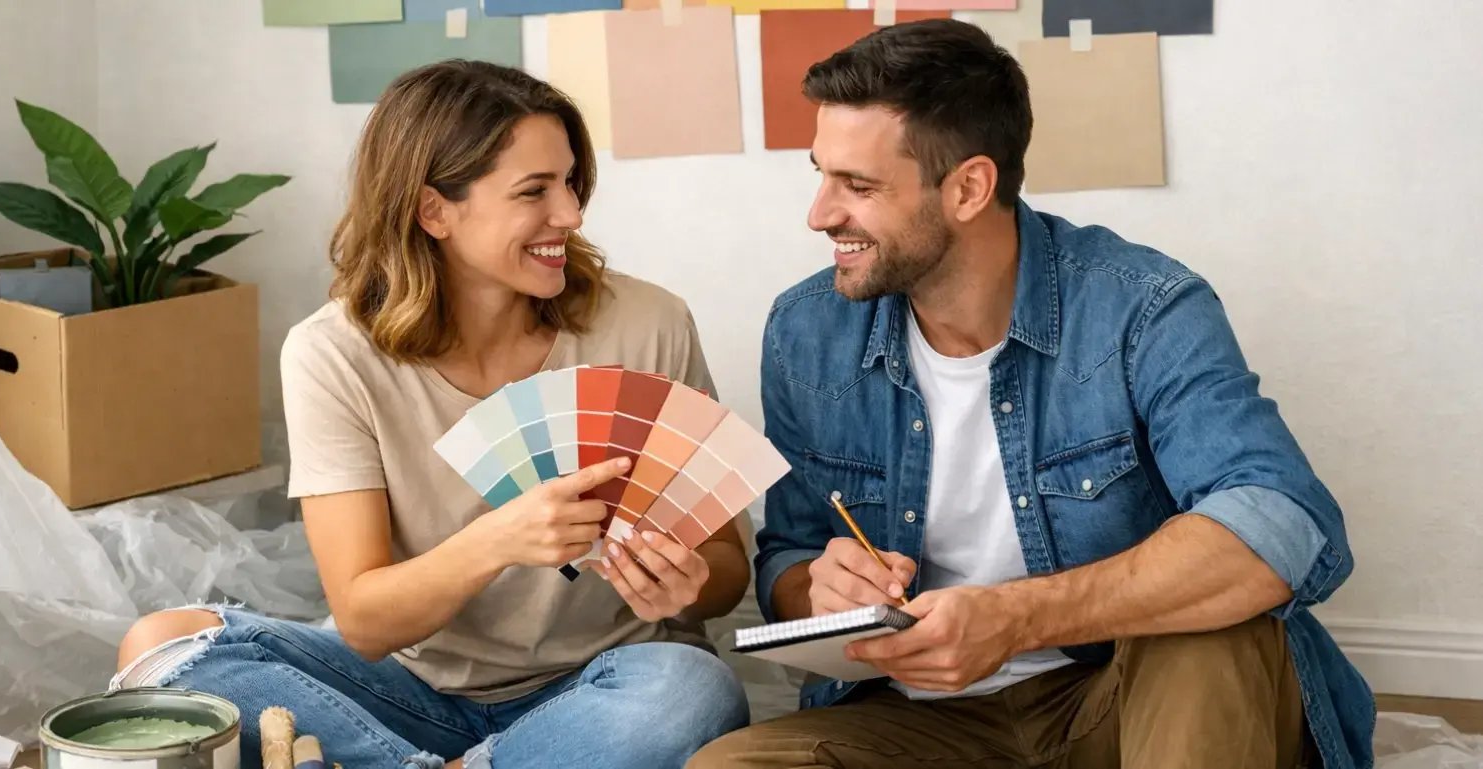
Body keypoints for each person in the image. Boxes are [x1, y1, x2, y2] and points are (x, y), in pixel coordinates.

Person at [691, 18, 1373, 769]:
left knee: (1219, 626)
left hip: (1117, 695)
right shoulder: (807, 328)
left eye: (857, 185)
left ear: (970, 187)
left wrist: (1015, 617)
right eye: (820, 174)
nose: (819, 213)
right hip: (921, 723)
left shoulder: (1141, 307)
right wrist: (817, 591)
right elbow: (787, 552)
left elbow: (1281, 520)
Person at [112, 60, 750, 769]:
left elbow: (728, 570)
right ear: (433, 210)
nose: (569, 214)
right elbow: (363, 621)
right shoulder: (333, 354)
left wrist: (689, 584)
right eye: (534, 191)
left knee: (692, 692)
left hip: (607, 680)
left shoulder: (648, 324)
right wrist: (499, 539)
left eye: (571, 182)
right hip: (416, 690)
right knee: (162, 648)